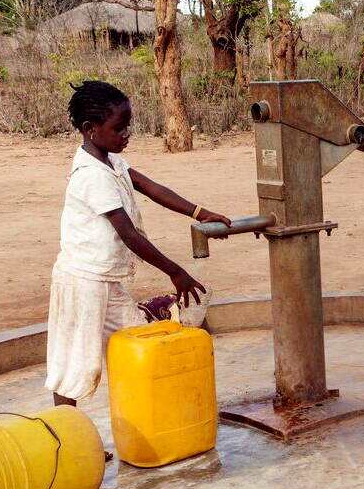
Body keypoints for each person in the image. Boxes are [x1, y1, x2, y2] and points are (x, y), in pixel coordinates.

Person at [46, 81, 230, 406]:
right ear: (91, 129)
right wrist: (176, 272)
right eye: (119, 128)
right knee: (76, 367)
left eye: (127, 125)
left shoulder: (112, 161)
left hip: (107, 280)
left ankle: (150, 414)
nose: (127, 133)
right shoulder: (91, 175)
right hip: (82, 281)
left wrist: (199, 212)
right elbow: (128, 235)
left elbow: (150, 187)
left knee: (137, 337)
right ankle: (66, 437)